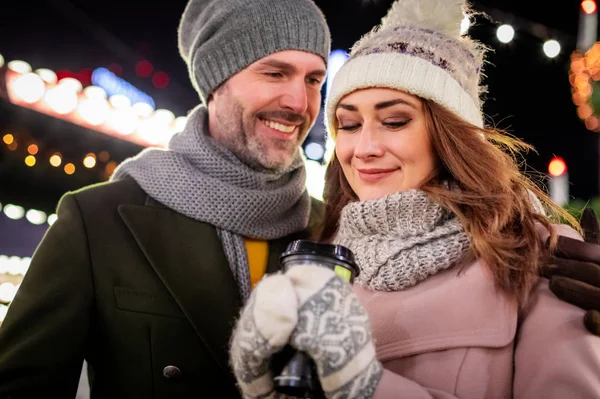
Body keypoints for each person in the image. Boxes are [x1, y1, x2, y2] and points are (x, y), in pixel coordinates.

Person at [228, 0, 600, 398]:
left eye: (395, 121)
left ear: (449, 136)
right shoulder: (324, 253)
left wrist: (366, 386)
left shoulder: (538, 255)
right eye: (349, 124)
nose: (364, 147)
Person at [0, 0, 330, 397]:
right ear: (215, 83)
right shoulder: (98, 220)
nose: (299, 103)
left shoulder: (330, 228)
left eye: (314, 79)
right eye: (275, 73)